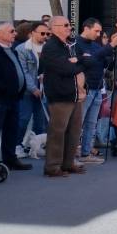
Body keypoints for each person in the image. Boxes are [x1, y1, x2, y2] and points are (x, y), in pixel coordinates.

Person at [39, 16, 85, 178]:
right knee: (57, 132)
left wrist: (77, 61)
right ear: (54, 27)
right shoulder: (51, 47)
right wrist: (78, 63)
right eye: (65, 25)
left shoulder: (69, 45)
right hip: (60, 95)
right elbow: (66, 68)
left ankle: (68, 163)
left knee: (74, 131)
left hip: (74, 94)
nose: (69, 27)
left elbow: (84, 61)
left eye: (69, 24)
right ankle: (52, 167)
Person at [0, 21, 30, 172]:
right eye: (11, 31)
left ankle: (10, 159)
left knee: (11, 130)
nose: (15, 33)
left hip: (14, 98)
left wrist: (21, 87)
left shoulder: (11, 50)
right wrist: (6, 89)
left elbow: (17, 72)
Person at [73, 18, 111, 165]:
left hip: (97, 87)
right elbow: (87, 62)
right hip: (84, 88)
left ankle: (86, 153)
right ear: (86, 28)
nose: (98, 34)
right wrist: (104, 51)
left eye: (100, 31)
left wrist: (114, 55)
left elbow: (103, 63)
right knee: (78, 122)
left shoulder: (96, 46)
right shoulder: (76, 44)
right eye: (96, 31)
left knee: (91, 123)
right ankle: (72, 155)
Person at [15, 21, 48, 149]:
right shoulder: (22, 49)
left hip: (44, 90)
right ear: (32, 33)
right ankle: (17, 145)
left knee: (40, 121)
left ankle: (35, 146)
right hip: (27, 90)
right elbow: (23, 71)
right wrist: (33, 88)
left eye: (47, 33)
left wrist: (46, 76)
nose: (45, 36)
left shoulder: (48, 47)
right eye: (42, 33)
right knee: (24, 118)